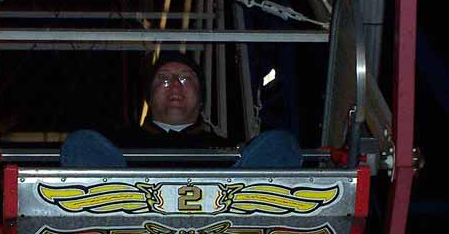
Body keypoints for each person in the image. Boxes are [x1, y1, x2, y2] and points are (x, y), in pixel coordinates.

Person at [60, 52, 302, 168]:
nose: (175, 84)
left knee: (280, 144)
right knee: (81, 144)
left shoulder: (229, 151)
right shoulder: (113, 148)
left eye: (186, 79)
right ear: (149, 97)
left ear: (201, 99)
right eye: (164, 80)